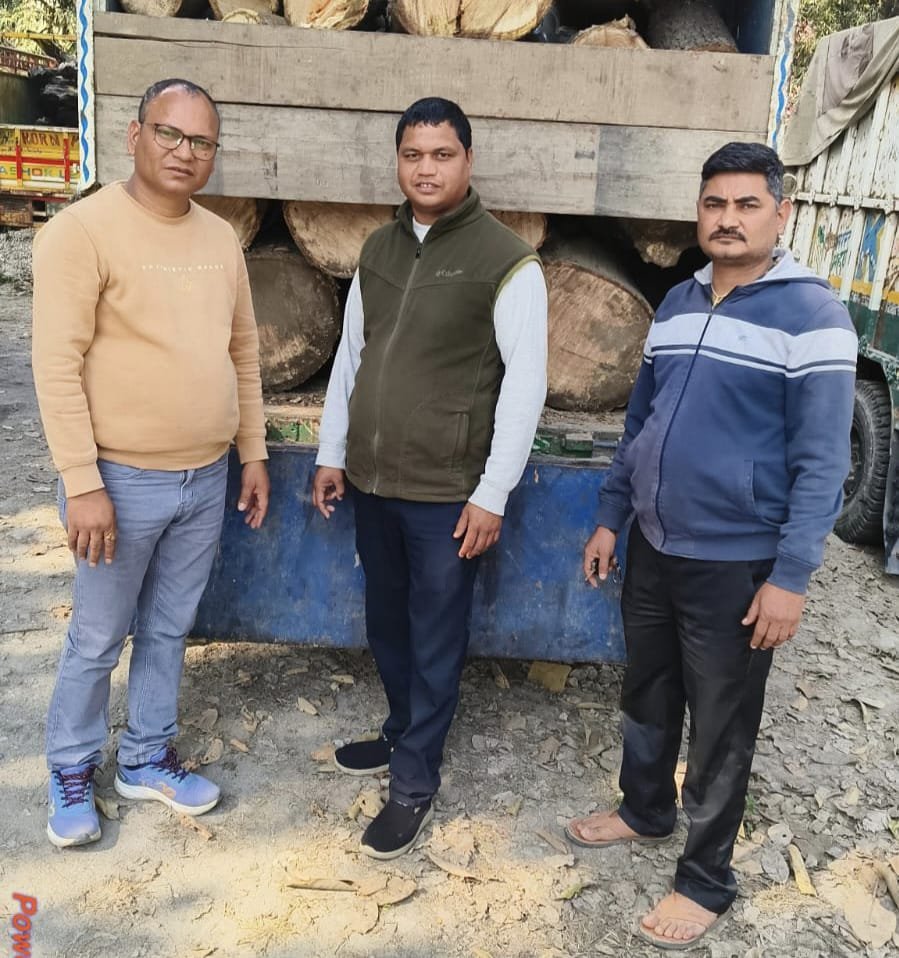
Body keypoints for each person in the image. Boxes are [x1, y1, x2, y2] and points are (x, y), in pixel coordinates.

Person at [567, 142, 856, 949]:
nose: (727, 220)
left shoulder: (813, 317)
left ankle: (704, 880)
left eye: (746, 205)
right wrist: (610, 515)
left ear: (780, 214)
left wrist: (790, 576)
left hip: (736, 562)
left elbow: (822, 462)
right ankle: (644, 809)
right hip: (655, 543)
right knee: (647, 691)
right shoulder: (677, 302)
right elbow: (641, 423)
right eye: (713, 204)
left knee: (721, 724)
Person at [32, 78, 270, 849]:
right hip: (119, 480)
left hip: (205, 476)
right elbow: (55, 365)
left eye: (201, 142)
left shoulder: (219, 239)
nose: (184, 152)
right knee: (99, 636)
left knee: (169, 628)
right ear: (134, 135)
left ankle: (144, 758)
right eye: (169, 133)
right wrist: (82, 483)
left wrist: (252, 451)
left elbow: (242, 351)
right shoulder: (81, 232)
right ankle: (72, 768)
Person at [312, 96, 548, 860]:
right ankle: (398, 732)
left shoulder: (505, 260)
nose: (425, 168)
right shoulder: (378, 249)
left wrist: (491, 493)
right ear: (398, 161)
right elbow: (352, 355)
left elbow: (525, 385)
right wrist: (332, 452)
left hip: (447, 493)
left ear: (467, 161)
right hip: (373, 482)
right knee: (387, 624)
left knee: (435, 636)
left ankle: (414, 781)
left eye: (441, 154)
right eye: (412, 154)